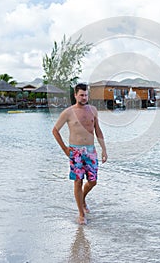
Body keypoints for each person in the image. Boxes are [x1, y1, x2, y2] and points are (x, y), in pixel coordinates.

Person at [52, 83, 108, 225]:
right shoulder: (68, 112)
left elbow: (98, 131)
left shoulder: (93, 110)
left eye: (86, 95)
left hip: (90, 151)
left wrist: (104, 149)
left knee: (93, 181)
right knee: (78, 181)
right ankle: (81, 214)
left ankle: (82, 198)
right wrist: (65, 149)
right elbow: (55, 131)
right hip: (75, 151)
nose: (84, 97)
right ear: (75, 95)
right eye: (81, 95)